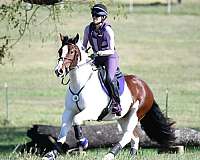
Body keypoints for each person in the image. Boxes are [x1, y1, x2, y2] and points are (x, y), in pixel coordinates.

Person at [83, 3, 122, 116]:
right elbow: (84, 46)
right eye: (93, 15)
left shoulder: (108, 31)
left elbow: (111, 50)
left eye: (97, 15)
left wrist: (99, 53)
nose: (94, 17)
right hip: (97, 58)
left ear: (103, 17)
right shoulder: (88, 29)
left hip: (110, 57)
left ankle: (117, 104)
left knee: (109, 78)